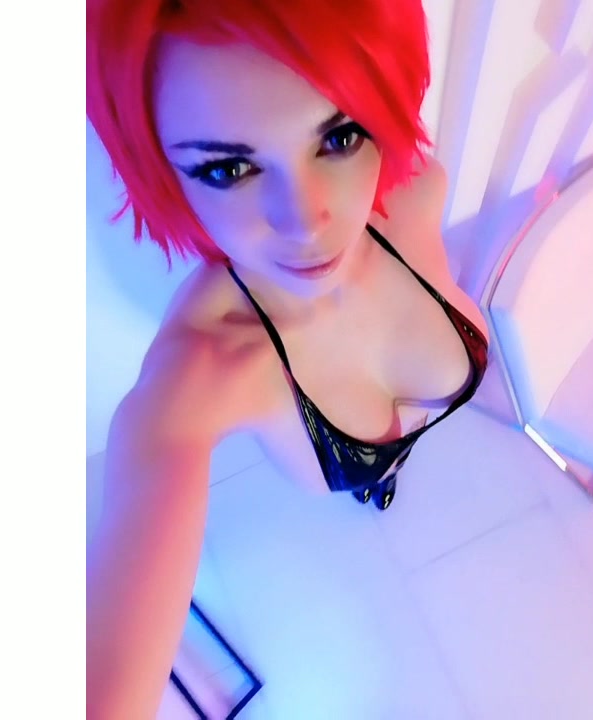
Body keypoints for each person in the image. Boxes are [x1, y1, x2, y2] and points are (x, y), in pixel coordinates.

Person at [86, 0, 490, 716]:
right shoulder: (200, 373)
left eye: (340, 136)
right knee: (371, 476)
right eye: (229, 168)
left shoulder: (417, 191)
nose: (305, 221)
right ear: (164, 171)